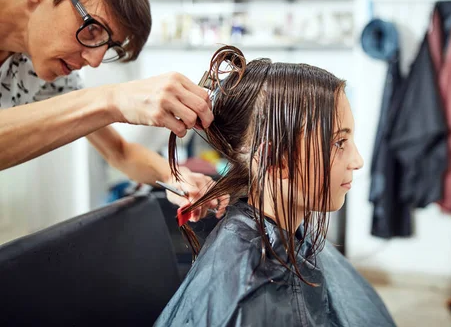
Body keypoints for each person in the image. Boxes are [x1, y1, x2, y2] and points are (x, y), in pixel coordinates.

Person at [156, 46, 396, 326]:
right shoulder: (249, 295)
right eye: (338, 143)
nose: (358, 161)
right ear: (276, 159)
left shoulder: (292, 237)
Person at [0, 0, 227, 219]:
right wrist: (111, 99)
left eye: (108, 47)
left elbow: (119, 152)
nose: (94, 61)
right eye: (93, 29)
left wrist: (174, 175)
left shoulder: (42, 68)